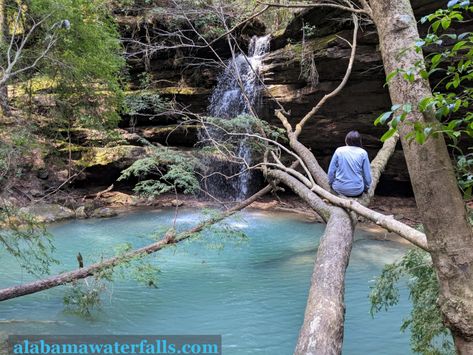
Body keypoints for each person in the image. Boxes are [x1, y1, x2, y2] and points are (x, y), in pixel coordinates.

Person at [327, 130, 372, 197]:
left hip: (339, 188)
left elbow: (331, 171)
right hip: (357, 190)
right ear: (359, 141)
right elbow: (367, 175)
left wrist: (330, 183)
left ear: (346, 140)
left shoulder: (339, 150)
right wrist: (366, 187)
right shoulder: (363, 153)